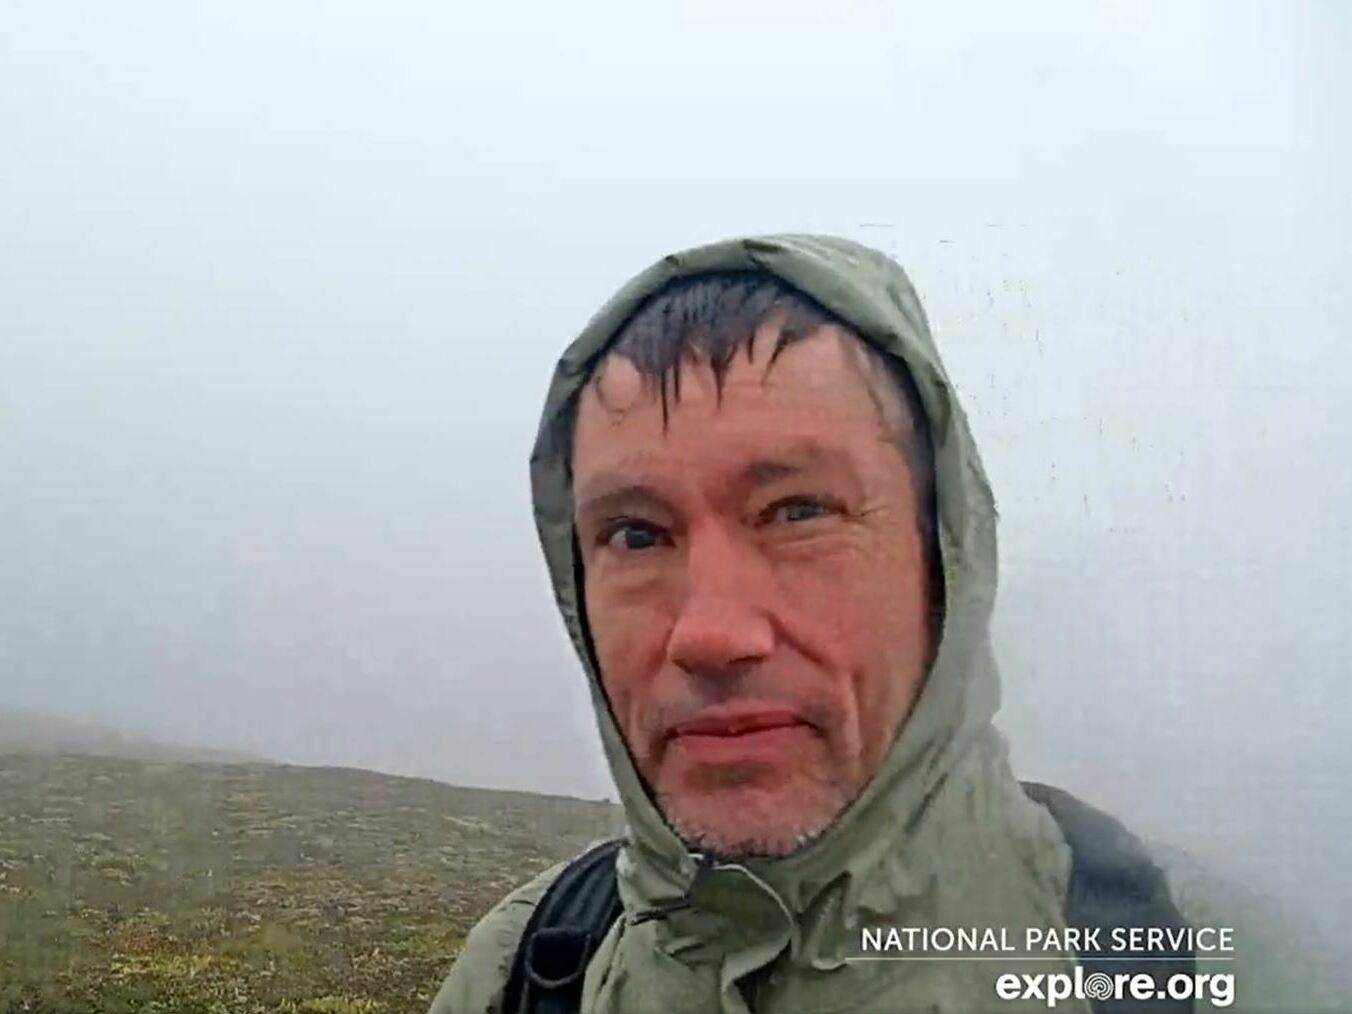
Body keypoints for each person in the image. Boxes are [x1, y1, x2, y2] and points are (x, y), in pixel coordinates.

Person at [430, 235, 1339, 1013]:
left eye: (797, 512)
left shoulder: (1207, 967)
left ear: (948, 557)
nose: (710, 633)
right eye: (635, 533)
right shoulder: (524, 973)